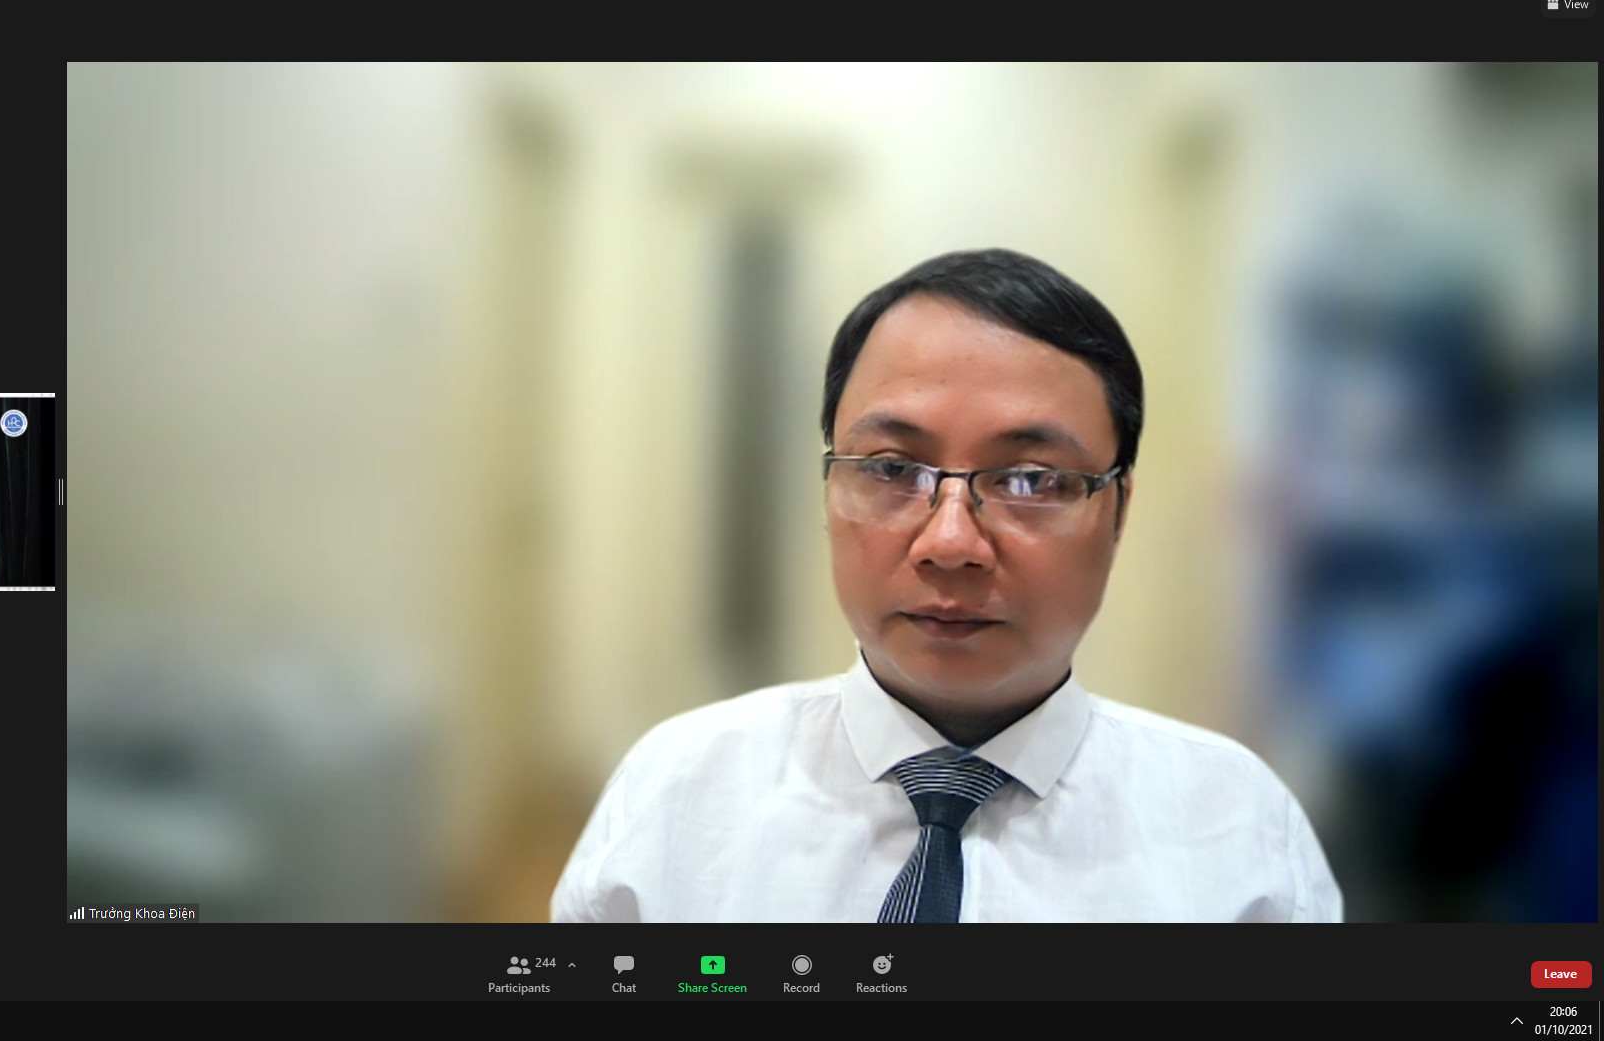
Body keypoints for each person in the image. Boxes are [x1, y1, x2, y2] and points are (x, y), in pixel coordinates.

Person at [551, 248, 1342, 922]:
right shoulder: (678, 796)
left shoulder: (1240, 834)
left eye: (1032, 480)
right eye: (893, 469)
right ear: (828, 490)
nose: (951, 544)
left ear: (1118, 511)